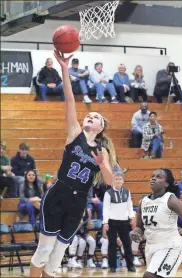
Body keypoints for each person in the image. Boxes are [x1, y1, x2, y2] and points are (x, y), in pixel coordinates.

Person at [30, 50, 118, 278]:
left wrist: (102, 164)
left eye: (96, 116)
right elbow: (70, 99)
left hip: (79, 199)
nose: (90, 116)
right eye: (89, 115)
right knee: (44, 249)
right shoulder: (75, 133)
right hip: (59, 192)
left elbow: (110, 181)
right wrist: (64, 69)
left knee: (58, 253)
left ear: (101, 127)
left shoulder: (102, 150)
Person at [130, 168, 182, 278]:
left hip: (170, 245)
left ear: (166, 183)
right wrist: (135, 232)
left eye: (158, 177)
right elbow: (139, 227)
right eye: (153, 176)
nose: (153, 178)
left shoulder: (170, 199)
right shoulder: (143, 202)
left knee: (149, 276)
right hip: (151, 246)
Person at [103, 168, 136, 273]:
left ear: (123, 181)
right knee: (112, 244)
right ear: (113, 181)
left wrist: (131, 216)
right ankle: (112, 266)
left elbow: (129, 205)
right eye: (116, 179)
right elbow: (106, 208)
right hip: (112, 221)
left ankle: (130, 265)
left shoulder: (127, 191)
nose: (118, 181)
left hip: (124, 221)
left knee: (127, 243)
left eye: (120, 179)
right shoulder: (108, 193)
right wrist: (105, 222)